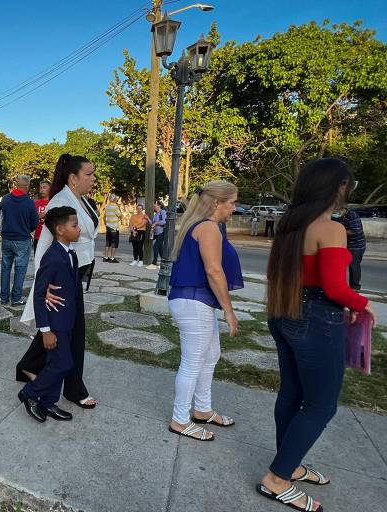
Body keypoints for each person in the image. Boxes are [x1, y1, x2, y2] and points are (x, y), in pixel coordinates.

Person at [258, 158, 376, 512]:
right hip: (317, 319)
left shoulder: (288, 225)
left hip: (284, 314)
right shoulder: (331, 229)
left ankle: (288, 463)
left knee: (292, 395)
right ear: (336, 187)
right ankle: (277, 479)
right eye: (347, 187)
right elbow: (336, 288)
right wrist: (362, 303)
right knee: (321, 405)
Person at [18, 154, 99, 410]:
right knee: (72, 329)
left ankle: (28, 366)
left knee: (63, 325)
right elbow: (44, 244)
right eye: (89, 174)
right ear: (73, 178)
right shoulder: (60, 201)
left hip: (75, 269)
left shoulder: (80, 199)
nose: (93, 178)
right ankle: (74, 389)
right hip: (62, 275)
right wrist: (44, 285)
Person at [166, 181, 243, 442]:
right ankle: (180, 419)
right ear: (216, 203)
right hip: (193, 301)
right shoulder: (208, 228)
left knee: (210, 355)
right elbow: (214, 270)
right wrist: (229, 311)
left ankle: (202, 409)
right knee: (193, 361)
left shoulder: (202, 226)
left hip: (194, 300)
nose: (235, 208)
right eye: (231, 202)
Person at [19, 206, 82, 423]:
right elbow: (39, 294)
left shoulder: (70, 253)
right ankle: (30, 393)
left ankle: (48, 401)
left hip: (67, 320)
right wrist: (45, 329)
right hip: (55, 323)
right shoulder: (53, 256)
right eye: (74, 225)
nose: (79, 229)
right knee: (62, 364)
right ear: (60, 229)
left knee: (57, 363)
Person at [0, 175, 39, 306]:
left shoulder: (5, 199)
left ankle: (4, 298)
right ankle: (16, 298)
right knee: (20, 270)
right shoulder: (29, 202)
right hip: (22, 239)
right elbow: (34, 223)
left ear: (16, 185)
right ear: (27, 186)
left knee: (5, 269)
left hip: (6, 239)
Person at [333, 206, 366, 290]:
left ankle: (355, 287)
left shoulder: (352, 215)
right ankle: (339, 285)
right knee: (338, 265)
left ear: (342, 209)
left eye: (335, 212)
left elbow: (355, 230)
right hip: (343, 244)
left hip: (356, 245)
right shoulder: (334, 217)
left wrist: (339, 231)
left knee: (354, 266)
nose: (334, 214)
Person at [102, 193, 122, 263]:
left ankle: (105, 257)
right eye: (116, 198)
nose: (117, 199)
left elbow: (104, 217)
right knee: (114, 243)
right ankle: (112, 258)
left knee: (108, 242)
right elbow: (120, 215)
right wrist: (119, 208)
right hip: (114, 227)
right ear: (113, 199)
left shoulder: (107, 206)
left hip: (108, 227)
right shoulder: (115, 207)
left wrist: (105, 224)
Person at [33, 180, 50, 255]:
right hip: (38, 236)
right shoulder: (36, 203)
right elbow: (33, 217)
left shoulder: (54, 202)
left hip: (50, 237)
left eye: (44, 187)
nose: (42, 190)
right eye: (40, 188)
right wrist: (46, 213)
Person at [148, 200, 167, 269]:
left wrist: (156, 223)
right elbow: (152, 223)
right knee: (159, 248)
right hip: (156, 232)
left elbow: (164, 221)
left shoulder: (162, 212)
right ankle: (164, 263)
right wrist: (148, 219)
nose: (153, 205)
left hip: (162, 232)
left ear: (159, 205)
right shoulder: (156, 214)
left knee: (155, 246)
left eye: (155, 204)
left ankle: (154, 263)